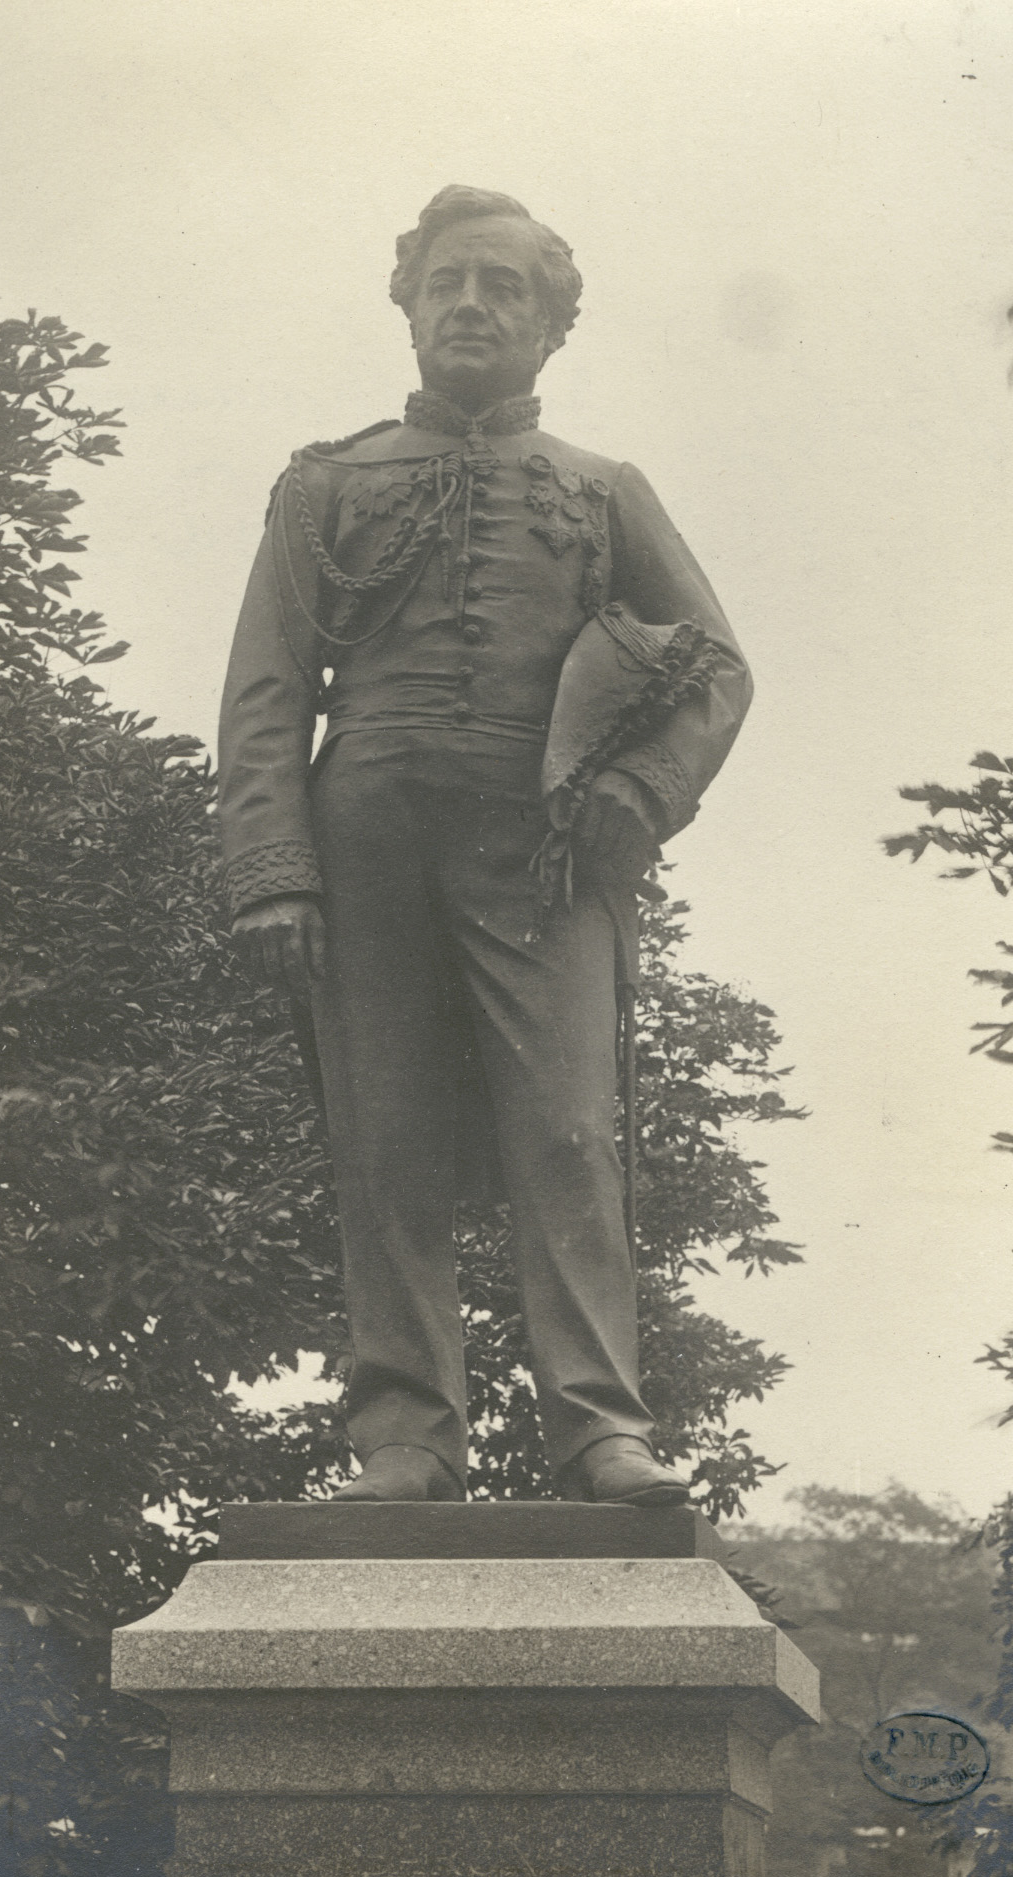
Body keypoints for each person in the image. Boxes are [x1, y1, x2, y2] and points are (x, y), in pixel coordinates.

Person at [218, 186, 752, 1505]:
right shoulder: (323, 485)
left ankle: (600, 1430)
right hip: (365, 843)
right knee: (385, 1140)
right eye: (447, 282)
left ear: (550, 324)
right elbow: (266, 693)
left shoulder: (603, 489)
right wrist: (273, 875)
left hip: (545, 849)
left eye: (502, 287)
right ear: (407, 306)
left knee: (567, 1135)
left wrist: (642, 791)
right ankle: (405, 1439)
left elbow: (717, 667)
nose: (470, 306)